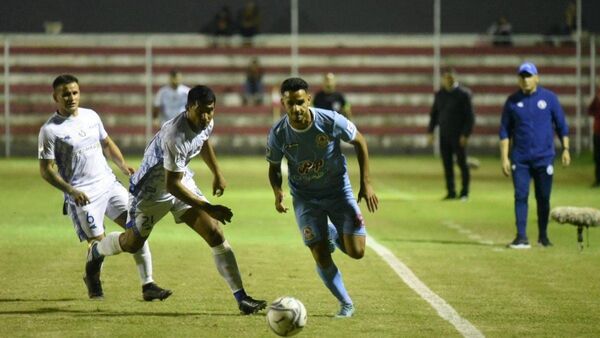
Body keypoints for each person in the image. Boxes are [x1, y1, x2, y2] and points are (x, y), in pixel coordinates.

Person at [87, 85, 267, 315]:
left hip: (180, 181)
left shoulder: (206, 121)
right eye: (200, 111)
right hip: (150, 192)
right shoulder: (175, 135)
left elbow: (203, 141)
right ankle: (97, 251)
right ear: (188, 107)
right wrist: (208, 207)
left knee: (215, 232)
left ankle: (242, 298)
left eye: (210, 111)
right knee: (133, 243)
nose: (205, 117)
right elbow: (171, 185)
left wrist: (217, 173)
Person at [38, 74, 172, 301]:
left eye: (75, 92)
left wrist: (122, 165)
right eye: (66, 94)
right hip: (83, 194)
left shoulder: (91, 116)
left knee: (138, 229)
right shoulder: (50, 130)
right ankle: (92, 278)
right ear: (55, 97)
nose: (71, 97)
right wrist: (71, 191)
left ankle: (148, 285)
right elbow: (46, 170)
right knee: (98, 246)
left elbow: (107, 143)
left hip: (108, 184)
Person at [267, 77, 379, 318]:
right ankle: (345, 303)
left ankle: (329, 232)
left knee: (357, 252)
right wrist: (277, 192)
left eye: (300, 102)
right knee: (319, 252)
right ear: (283, 104)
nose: (295, 109)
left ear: (308, 99)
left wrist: (366, 183)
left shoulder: (329, 120)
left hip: (338, 191)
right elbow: (274, 167)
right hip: (305, 198)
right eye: (290, 104)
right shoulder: (278, 133)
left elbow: (359, 140)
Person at [500, 62, 570, 249]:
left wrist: (566, 149)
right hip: (520, 158)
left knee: (543, 197)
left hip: (544, 157)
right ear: (518, 79)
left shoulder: (549, 99)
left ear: (537, 77)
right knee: (520, 195)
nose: (525, 80)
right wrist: (505, 158)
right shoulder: (512, 101)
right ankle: (521, 237)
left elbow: (562, 125)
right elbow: (504, 131)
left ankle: (543, 236)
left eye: (529, 76)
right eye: (522, 76)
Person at [427, 68, 474, 201]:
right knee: (447, 164)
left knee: (462, 163)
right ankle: (451, 191)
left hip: (459, 135)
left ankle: (464, 192)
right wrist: (431, 131)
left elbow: (470, 117)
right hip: (444, 135)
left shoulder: (464, 94)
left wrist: (465, 134)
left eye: (450, 77)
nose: (448, 80)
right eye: (445, 77)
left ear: (455, 78)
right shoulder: (440, 94)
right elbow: (434, 114)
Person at [587, 86, 600, 187]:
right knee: (597, 157)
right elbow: (590, 110)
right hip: (597, 132)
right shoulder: (597, 98)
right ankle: (598, 179)